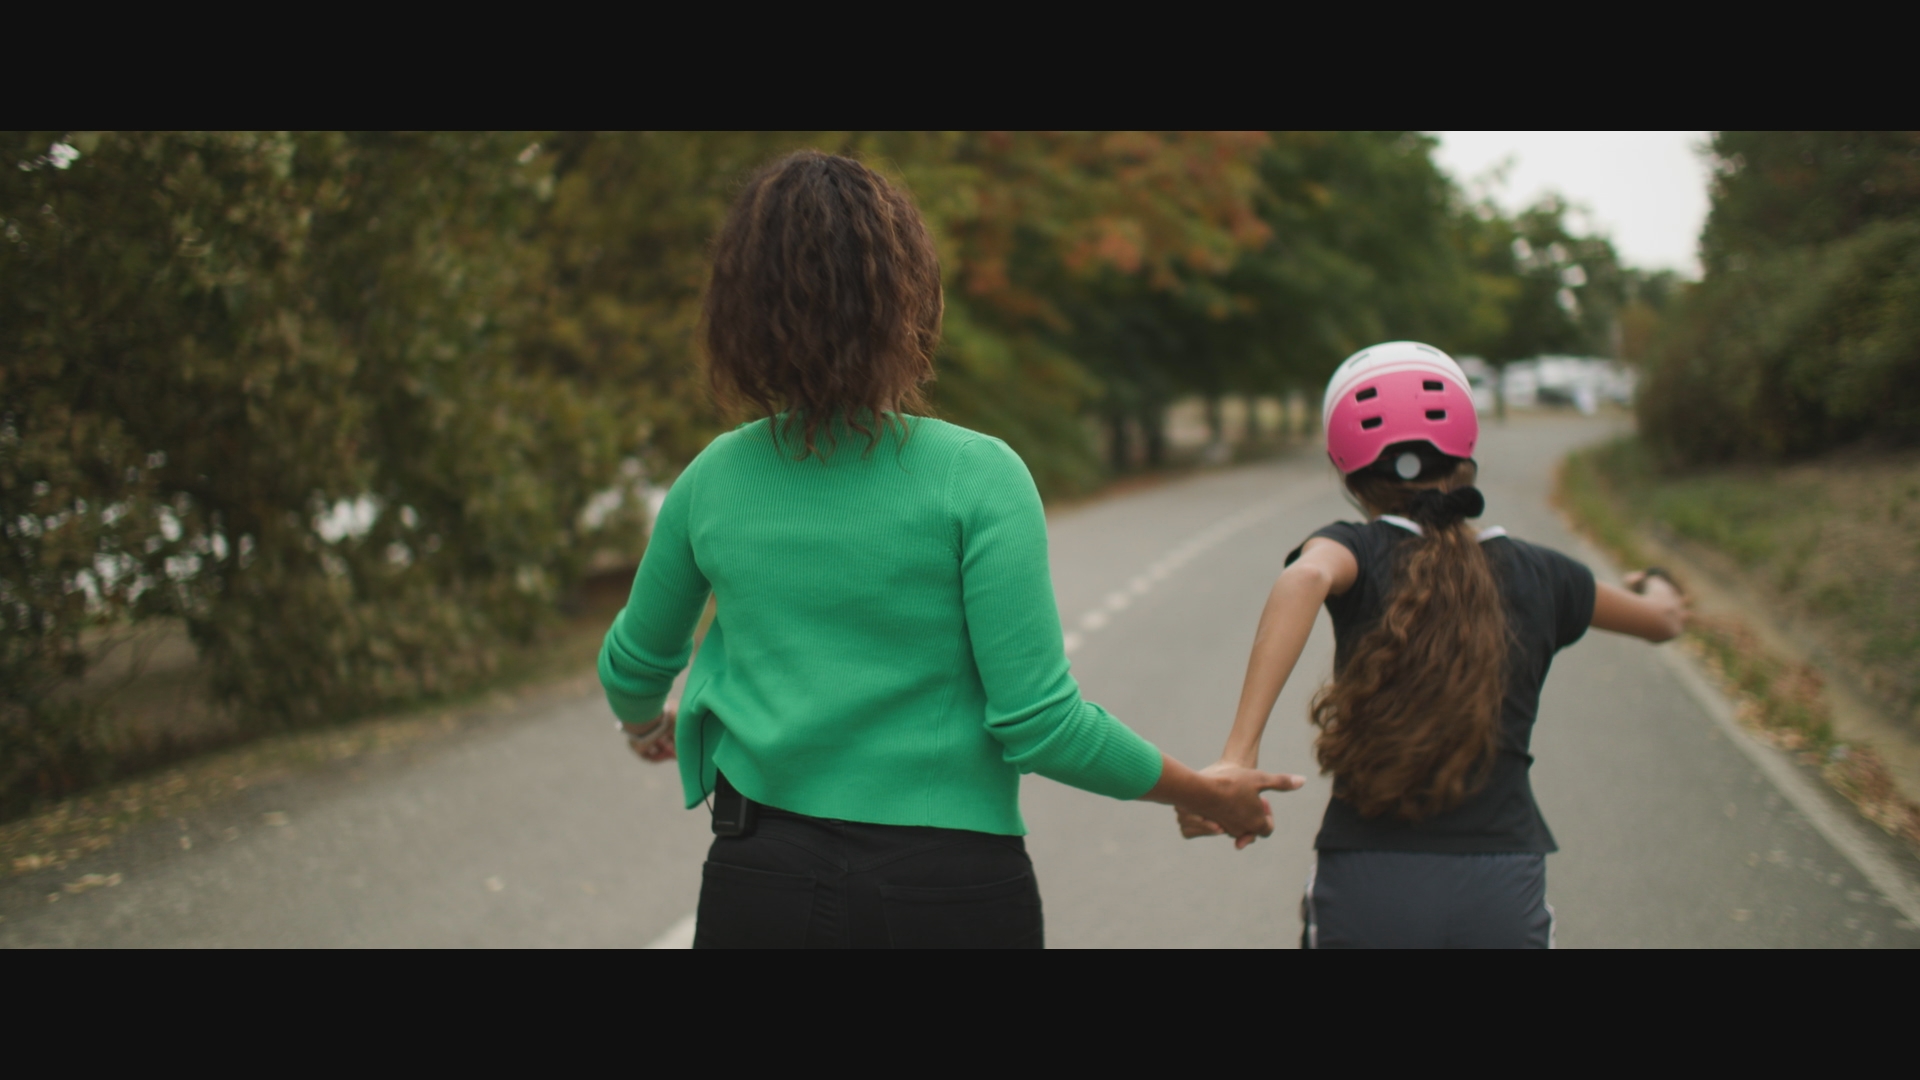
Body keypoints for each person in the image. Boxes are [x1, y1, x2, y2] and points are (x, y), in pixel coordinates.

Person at [600, 150, 1301, 949]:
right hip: (947, 891)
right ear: (907, 296)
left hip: (761, 881)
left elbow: (632, 666)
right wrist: (1205, 793)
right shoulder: (978, 475)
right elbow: (1042, 725)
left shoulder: (714, 478)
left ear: (741, 310)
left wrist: (645, 725)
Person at [1178, 341, 1686, 948]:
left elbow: (1305, 577)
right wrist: (1656, 580)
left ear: (1347, 470)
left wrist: (1238, 756)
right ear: (1466, 452)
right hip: (1501, 882)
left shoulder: (1353, 549)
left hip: (1368, 881)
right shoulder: (1543, 572)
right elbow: (1663, 620)